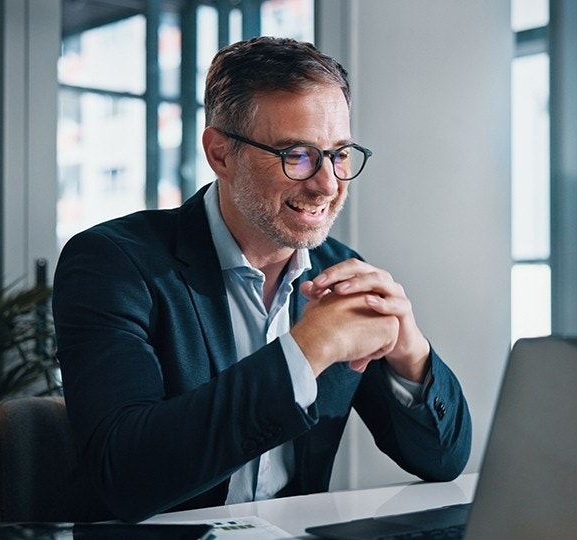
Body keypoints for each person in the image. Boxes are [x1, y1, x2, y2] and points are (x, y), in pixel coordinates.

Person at [52, 36, 472, 523]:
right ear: (220, 154)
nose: (327, 184)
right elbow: (124, 474)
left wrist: (411, 356)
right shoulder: (114, 263)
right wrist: (307, 349)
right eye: (296, 155)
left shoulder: (339, 271)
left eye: (338, 154)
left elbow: (442, 461)